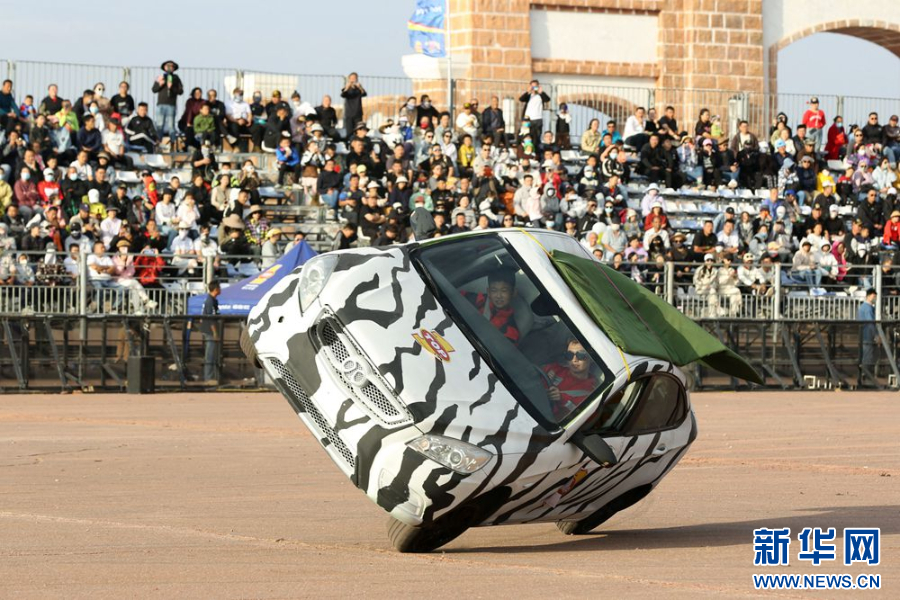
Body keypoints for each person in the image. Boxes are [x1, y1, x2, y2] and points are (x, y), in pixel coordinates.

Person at [461, 267, 521, 345]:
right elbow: (454, 297)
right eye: (494, 290)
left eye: (504, 290)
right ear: (488, 292)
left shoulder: (511, 331)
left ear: (514, 293)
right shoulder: (480, 300)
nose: (498, 296)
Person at [543, 338, 598, 420]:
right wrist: (544, 380)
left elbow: (579, 415)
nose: (574, 360)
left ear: (591, 358)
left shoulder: (591, 392)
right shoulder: (554, 368)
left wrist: (561, 397)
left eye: (580, 355)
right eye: (570, 355)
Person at [151, 60, 183, 146]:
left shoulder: (176, 78)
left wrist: (172, 87)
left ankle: (173, 144)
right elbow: (154, 89)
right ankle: (158, 144)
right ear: (164, 67)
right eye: (167, 66)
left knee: (171, 126)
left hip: (171, 105)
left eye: (171, 66)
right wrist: (160, 84)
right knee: (159, 125)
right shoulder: (160, 77)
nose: (169, 68)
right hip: (160, 104)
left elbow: (180, 91)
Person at [858, 288, 879, 388]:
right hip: (868, 335)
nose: (875, 298)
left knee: (866, 356)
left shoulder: (863, 307)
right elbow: (871, 323)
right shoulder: (868, 308)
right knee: (868, 357)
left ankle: (864, 377)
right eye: (874, 296)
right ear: (869, 296)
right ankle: (866, 377)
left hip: (864, 335)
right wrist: (876, 335)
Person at [201, 280, 222, 383]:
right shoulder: (210, 301)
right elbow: (210, 318)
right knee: (209, 355)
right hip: (209, 331)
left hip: (211, 330)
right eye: (219, 288)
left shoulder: (213, 300)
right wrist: (215, 333)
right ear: (216, 289)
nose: (221, 290)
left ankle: (213, 376)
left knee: (213, 355)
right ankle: (208, 377)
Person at [340, 73, 367, 138]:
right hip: (349, 114)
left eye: (354, 78)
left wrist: (360, 87)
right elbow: (343, 95)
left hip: (358, 113)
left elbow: (364, 94)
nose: (353, 80)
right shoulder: (346, 88)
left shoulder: (359, 89)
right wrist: (347, 87)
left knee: (358, 131)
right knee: (349, 132)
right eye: (351, 78)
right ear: (349, 79)